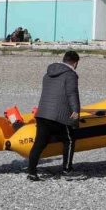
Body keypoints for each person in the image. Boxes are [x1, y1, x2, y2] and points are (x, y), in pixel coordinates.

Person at [27, 51, 81, 181]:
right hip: (58, 114)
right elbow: (72, 93)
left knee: (39, 143)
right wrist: (76, 111)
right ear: (75, 63)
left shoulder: (48, 73)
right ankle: (67, 170)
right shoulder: (71, 75)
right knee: (69, 139)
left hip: (42, 113)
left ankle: (32, 172)